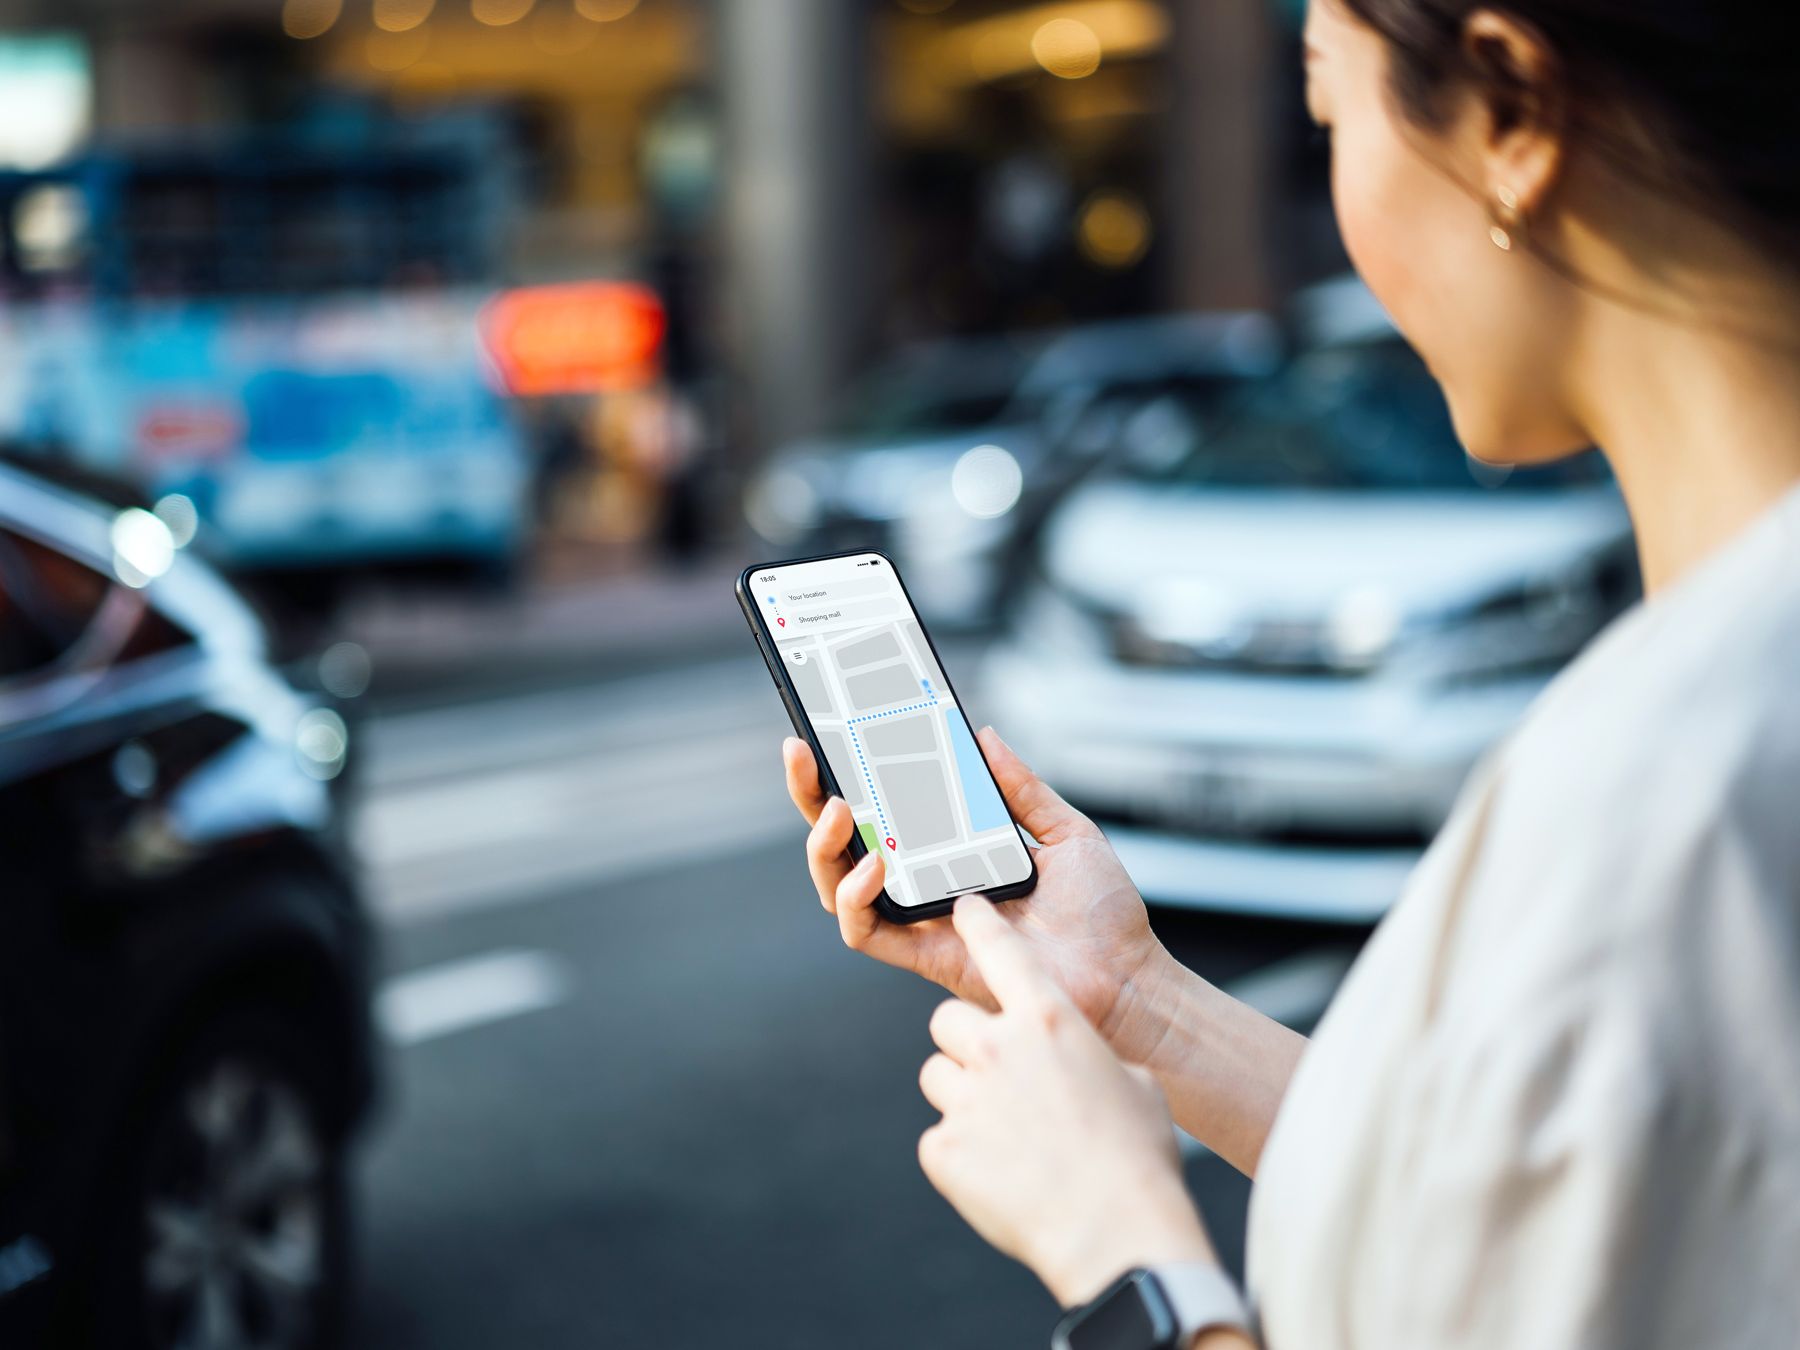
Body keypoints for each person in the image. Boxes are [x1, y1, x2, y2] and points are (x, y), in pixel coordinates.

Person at [780, 1, 1800, 1345]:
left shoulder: (1662, 797)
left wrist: (1125, 1253)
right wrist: (1136, 1001)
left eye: (1331, 115)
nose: (1344, 201)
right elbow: (1534, 1206)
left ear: (1508, 112)